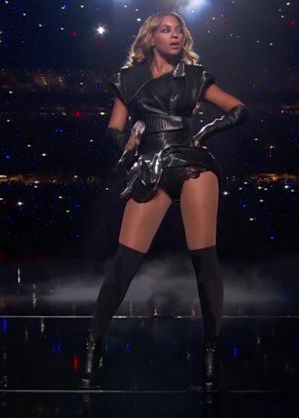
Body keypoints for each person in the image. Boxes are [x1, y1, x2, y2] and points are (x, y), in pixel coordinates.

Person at [82, 11, 248, 391]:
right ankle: (92, 342)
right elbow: (113, 129)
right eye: (165, 30)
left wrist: (207, 129)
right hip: (150, 168)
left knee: (204, 259)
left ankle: (211, 348)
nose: (174, 36)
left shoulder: (195, 76)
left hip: (191, 165)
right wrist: (127, 142)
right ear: (150, 37)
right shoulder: (128, 79)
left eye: (179, 30)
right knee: (124, 265)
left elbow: (240, 109)